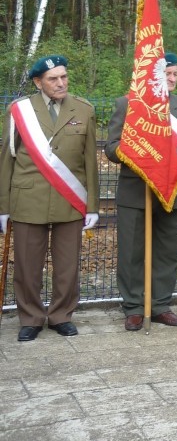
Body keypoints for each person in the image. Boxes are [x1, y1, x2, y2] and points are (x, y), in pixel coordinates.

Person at [0, 55, 99, 342]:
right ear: (38, 82)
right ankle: (30, 317)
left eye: (64, 77)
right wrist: (3, 207)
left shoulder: (84, 109)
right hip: (29, 199)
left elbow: (89, 161)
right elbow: (7, 160)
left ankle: (61, 315)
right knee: (28, 266)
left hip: (70, 200)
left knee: (67, 265)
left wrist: (92, 204)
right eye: (53, 79)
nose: (61, 83)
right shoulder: (19, 111)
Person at [105, 52, 177, 331]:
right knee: (131, 253)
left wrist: (170, 160)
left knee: (166, 252)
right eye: (166, 74)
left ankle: (160, 305)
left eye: (175, 74)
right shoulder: (128, 104)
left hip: (172, 190)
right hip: (136, 193)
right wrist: (140, 153)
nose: (172, 79)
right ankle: (134, 307)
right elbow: (111, 147)